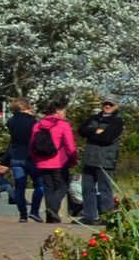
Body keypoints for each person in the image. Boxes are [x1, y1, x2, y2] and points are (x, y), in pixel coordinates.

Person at [74, 95, 125, 226]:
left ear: (116, 106)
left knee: (105, 189)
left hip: (105, 160)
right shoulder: (94, 118)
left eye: (111, 104)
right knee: (87, 188)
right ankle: (89, 216)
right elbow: (81, 130)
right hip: (89, 158)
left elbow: (107, 138)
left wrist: (93, 133)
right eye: (105, 104)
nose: (107, 106)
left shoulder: (117, 121)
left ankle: (107, 216)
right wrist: (96, 131)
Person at [28, 98, 77, 224]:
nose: (65, 113)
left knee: (48, 188)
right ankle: (53, 210)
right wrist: (73, 160)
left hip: (42, 162)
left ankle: (51, 217)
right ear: (58, 111)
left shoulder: (37, 125)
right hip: (59, 162)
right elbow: (70, 146)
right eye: (64, 111)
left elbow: (32, 145)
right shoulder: (63, 125)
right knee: (63, 186)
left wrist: (35, 159)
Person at [1, 100, 34, 224]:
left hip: (15, 157)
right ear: (26, 107)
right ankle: (35, 211)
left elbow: (12, 142)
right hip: (30, 157)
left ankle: (23, 215)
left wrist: (5, 161)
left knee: (19, 187)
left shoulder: (11, 122)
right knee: (39, 184)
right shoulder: (32, 122)